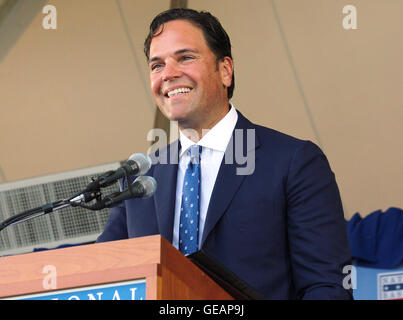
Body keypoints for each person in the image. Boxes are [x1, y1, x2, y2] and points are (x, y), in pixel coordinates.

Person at [97, 8, 353, 300]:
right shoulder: (141, 178)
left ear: (225, 70)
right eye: (157, 65)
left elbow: (327, 287)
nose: (168, 74)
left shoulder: (294, 162)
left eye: (186, 58)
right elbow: (100, 279)